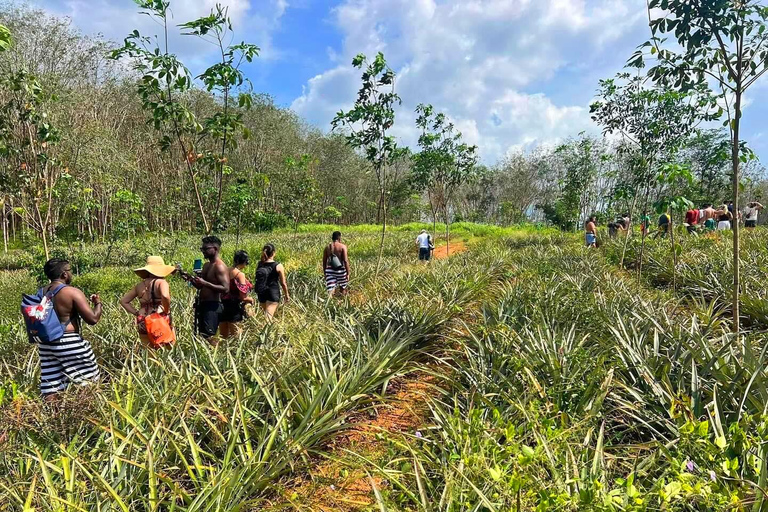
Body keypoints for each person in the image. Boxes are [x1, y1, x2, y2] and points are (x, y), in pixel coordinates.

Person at [36, 259, 102, 397]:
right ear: (64, 274)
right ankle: (86, 413)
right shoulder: (71, 292)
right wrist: (98, 304)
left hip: (45, 344)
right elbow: (92, 319)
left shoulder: (40, 293)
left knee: (51, 384)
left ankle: (51, 416)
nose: (71, 273)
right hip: (68, 341)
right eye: (69, 270)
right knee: (88, 380)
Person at [119, 256, 175, 348]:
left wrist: (136, 313)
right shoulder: (161, 282)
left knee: (148, 349)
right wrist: (167, 310)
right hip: (159, 317)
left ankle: (149, 362)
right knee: (166, 345)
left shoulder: (139, 286)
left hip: (143, 319)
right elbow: (165, 296)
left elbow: (123, 301)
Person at [183, 236, 229, 344]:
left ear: (215, 249)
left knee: (210, 337)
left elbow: (226, 288)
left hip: (213, 306)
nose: (203, 251)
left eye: (205, 249)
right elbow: (200, 286)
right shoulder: (206, 265)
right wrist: (190, 278)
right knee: (203, 336)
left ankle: (215, 357)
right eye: (202, 249)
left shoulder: (220, 266)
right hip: (203, 305)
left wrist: (205, 283)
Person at [219, 250, 255, 337]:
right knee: (237, 336)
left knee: (223, 337)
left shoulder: (224, 271)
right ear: (243, 262)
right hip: (233, 307)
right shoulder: (239, 275)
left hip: (222, 305)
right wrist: (250, 299)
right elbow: (243, 297)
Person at [254, 244, 290, 320]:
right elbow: (283, 283)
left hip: (261, 293)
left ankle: (262, 330)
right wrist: (287, 295)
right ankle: (264, 332)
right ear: (273, 252)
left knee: (266, 316)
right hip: (273, 293)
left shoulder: (260, 264)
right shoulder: (278, 265)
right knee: (268, 318)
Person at [323, 231, 351, 295]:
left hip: (330, 270)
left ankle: (329, 303)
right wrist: (348, 273)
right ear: (339, 238)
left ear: (332, 238)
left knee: (330, 289)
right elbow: (345, 261)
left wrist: (325, 272)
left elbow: (324, 261)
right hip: (340, 270)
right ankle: (343, 302)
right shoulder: (343, 246)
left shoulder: (327, 247)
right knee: (343, 288)